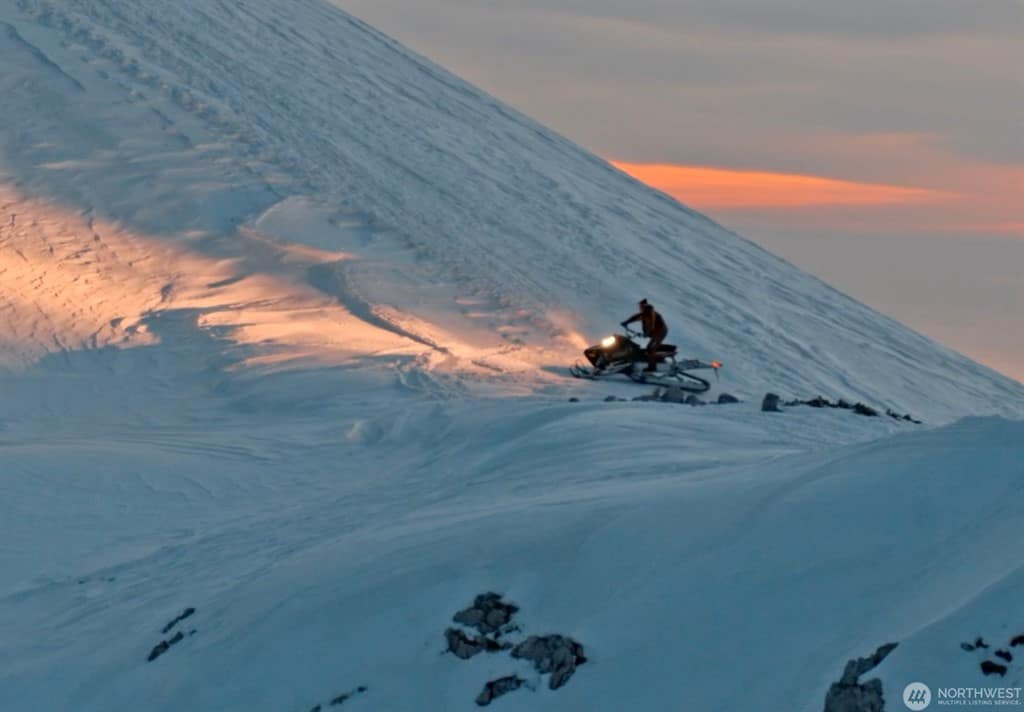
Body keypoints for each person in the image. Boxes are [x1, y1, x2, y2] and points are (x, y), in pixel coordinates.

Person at [621, 299, 668, 372]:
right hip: (655, 332)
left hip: (660, 332)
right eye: (640, 306)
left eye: (641, 306)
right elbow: (636, 317)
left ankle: (652, 367)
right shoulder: (645, 313)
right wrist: (626, 322)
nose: (640, 308)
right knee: (647, 348)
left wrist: (648, 332)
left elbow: (651, 324)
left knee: (650, 349)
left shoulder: (650, 312)